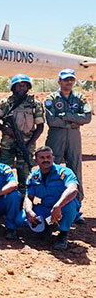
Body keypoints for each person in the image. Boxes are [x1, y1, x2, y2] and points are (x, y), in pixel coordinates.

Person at [44, 68, 91, 203]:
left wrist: (66, 116)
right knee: (52, 166)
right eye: (66, 80)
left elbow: (87, 117)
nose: (69, 82)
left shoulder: (80, 98)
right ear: (59, 81)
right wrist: (72, 122)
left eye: (71, 79)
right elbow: (51, 120)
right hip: (56, 136)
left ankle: (76, 205)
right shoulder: (51, 99)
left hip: (73, 137)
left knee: (75, 167)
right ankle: (51, 201)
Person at [0, 74, 44, 194]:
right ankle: (4, 203)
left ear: (28, 87)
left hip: (26, 146)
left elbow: (40, 127)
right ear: (13, 87)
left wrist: (28, 145)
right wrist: (5, 128)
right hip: (7, 145)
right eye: (18, 85)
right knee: (3, 174)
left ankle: (23, 204)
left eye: (24, 85)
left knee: (25, 177)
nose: (21, 87)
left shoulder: (35, 104)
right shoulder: (4, 103)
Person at [23, 146, 80, 250]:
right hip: (46, 207)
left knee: (69, 205)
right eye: (42, 158)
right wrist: (29, 210)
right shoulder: (33, 176)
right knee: (21, 220)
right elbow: (29, 197)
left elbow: (73, 190)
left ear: (53, 158)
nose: (46, 160)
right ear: (36, 160)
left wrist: (58, 206)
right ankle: (50, 224)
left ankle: (63, 233)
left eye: (48, 157)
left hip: (63, 206)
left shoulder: (64, 172)